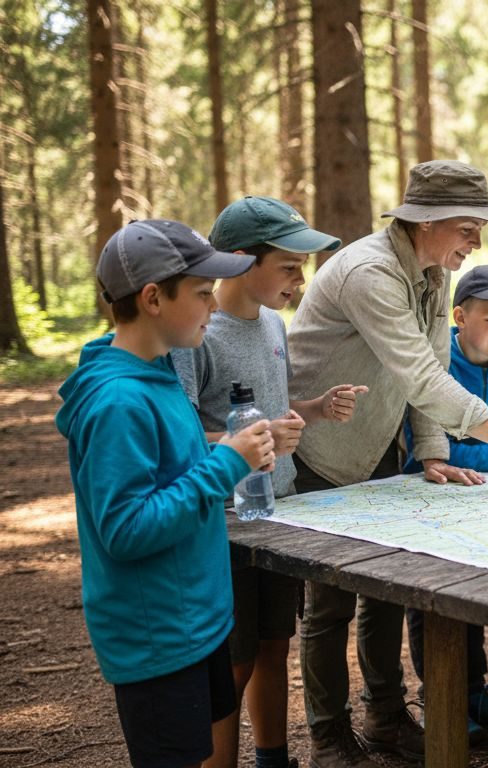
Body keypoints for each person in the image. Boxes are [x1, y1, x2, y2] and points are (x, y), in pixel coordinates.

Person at [285, 160, 488, 768]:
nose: (477, 242)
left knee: (387, 593)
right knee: (330, 605)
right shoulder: (371, 272)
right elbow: (422, 375)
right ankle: (328, 740)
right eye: (469, 228)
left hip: (379, 445)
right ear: (427, 221)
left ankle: (387, 719)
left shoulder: (432, 269)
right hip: (322, 446)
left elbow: (426, 369)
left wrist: (434, 451)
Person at [56, 220, 275, 768]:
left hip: (195, 624)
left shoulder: (156, 376)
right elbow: (127, 530)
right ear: (153, 297)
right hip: (156, 641)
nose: (213, 307)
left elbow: (174, 477)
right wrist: (227, 461)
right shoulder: (118, 403)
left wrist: (224, 452)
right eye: (202, 294)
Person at [170, 196, 366, 768]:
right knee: (232, 660)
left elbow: (272, 409)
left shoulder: (275, 324)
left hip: (281, 511)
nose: (299, 280)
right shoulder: (199, 334)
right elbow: (180, 434)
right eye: (287, 266)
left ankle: (273, 758)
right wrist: (246, 444)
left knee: (274, 645)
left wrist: (317, 408)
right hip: (225, 522)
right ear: (237, 261)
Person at [402, 264, 488, 742]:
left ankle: (475, 692)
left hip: (481, 499)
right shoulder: (435, 364)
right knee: (432, 603)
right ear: (459, 316)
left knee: (474, 594)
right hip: (428, 498)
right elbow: (434, 446)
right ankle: (441, 699)